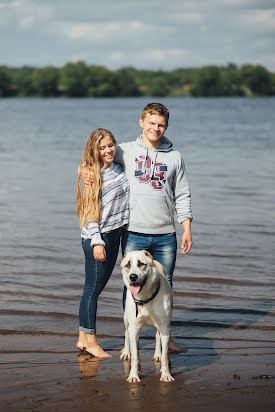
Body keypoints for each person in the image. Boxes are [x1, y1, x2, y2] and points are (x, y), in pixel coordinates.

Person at [81, 103, 192, 318]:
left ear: (166, 126)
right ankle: (129, 340)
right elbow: (97, 154)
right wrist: (84, 168)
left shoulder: (175, 157)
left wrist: (186, 228)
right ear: (141, 122)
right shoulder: (126, 150)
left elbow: (183, 194)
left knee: (165, 284)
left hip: (166, 235)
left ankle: (164, 338)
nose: (155, 128)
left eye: (161, 125)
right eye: (151, 123)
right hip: (133, 233)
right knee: (131, 287)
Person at [76, 128, 129, 358]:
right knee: (93, 290)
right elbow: (89, 213)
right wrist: (98, 241)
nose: (108, 150)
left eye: (110, 145)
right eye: (102, 147)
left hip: (116, 234)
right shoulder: (93, 175)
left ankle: (82, 338)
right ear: (94, 150)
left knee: (94, 288)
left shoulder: (118, 166)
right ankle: (91, 341)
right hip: (99, 238)